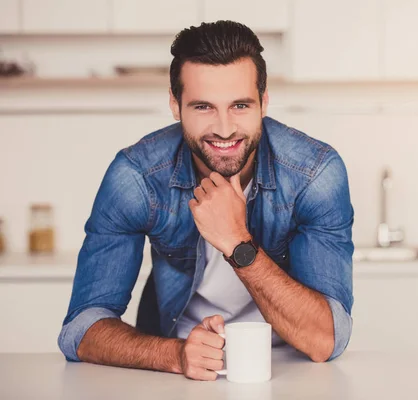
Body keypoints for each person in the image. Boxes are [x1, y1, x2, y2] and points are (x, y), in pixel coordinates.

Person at [58, 20, 354, 381]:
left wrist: (236, 242)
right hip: (177, 368)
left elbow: (326, 340)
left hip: (289, 367)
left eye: (240, 105)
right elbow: (81, 328)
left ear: (264, 103)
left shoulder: (314, 174)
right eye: (203, 107)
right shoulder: (138, 177)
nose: (225, 128)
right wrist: (176, 355)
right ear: (174, 104)